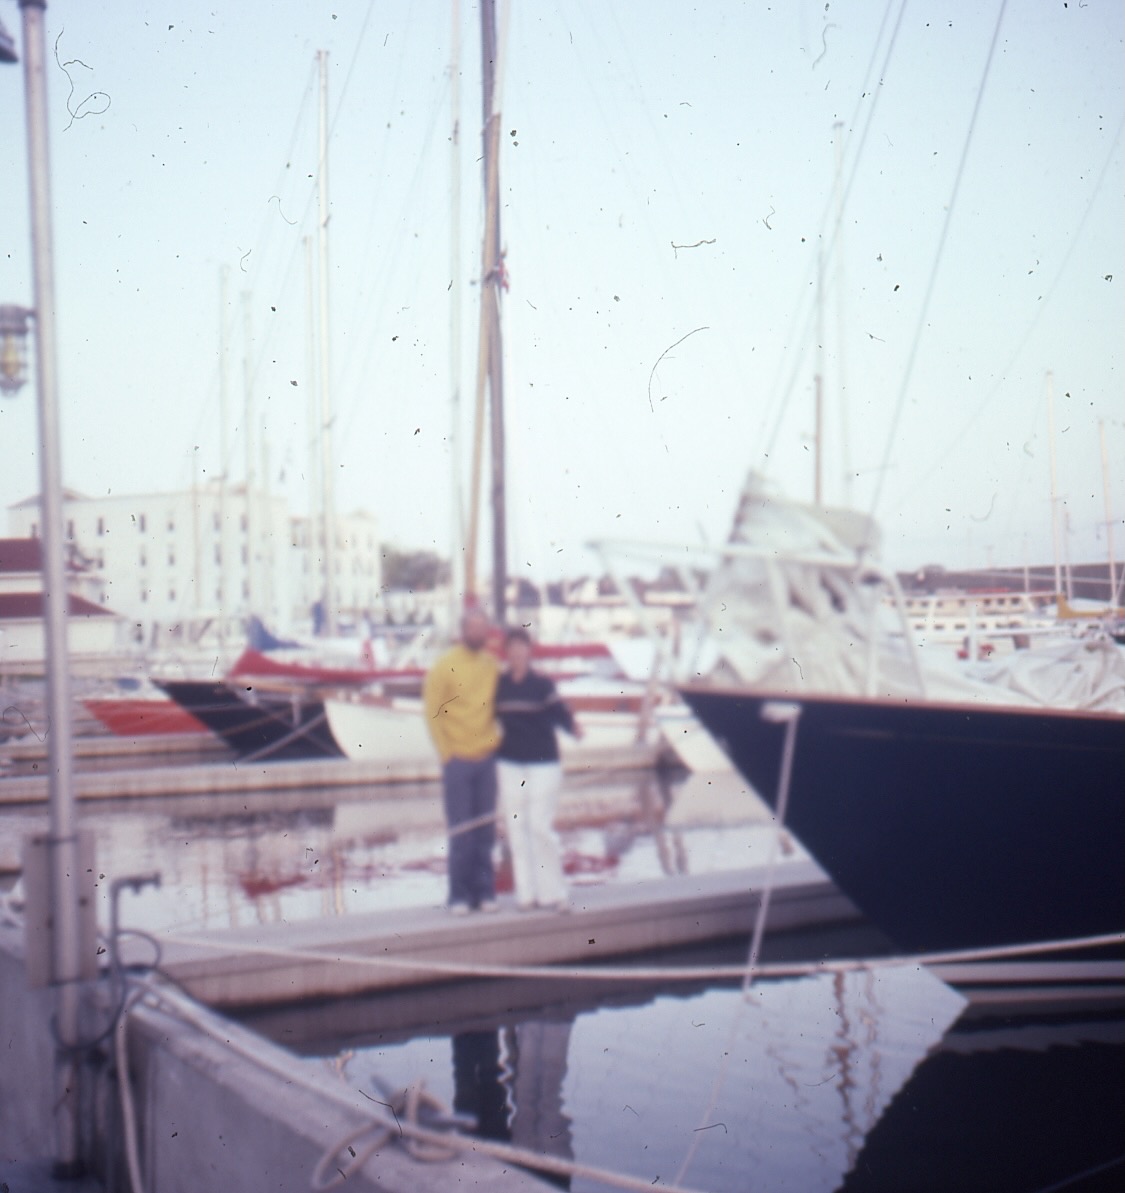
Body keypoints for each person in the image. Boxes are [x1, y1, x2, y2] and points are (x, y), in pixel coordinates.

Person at [495, 627, 583, 911]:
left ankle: (553, 893)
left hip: (543, 763)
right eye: (512, 647)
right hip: (510, 763)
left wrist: (573, 728)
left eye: (522, 647)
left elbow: (560, 714)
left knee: (538, 826)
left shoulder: (542, 685)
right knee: (516, 826)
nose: (517, 653)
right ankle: (526, 894)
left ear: (529, 652)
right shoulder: (499, 686)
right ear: (506, 653)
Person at [423, 605, 502, 914]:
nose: (479, 632)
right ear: (463, 630)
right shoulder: (444, 665)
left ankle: (485, 893)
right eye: (473, 627)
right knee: (461, 831)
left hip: (486, 760)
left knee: (486, 831)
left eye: (483, 627)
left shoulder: (492, 665)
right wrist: (447, 754)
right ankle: (458, 896)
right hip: (457, 761)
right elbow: (433, 711)